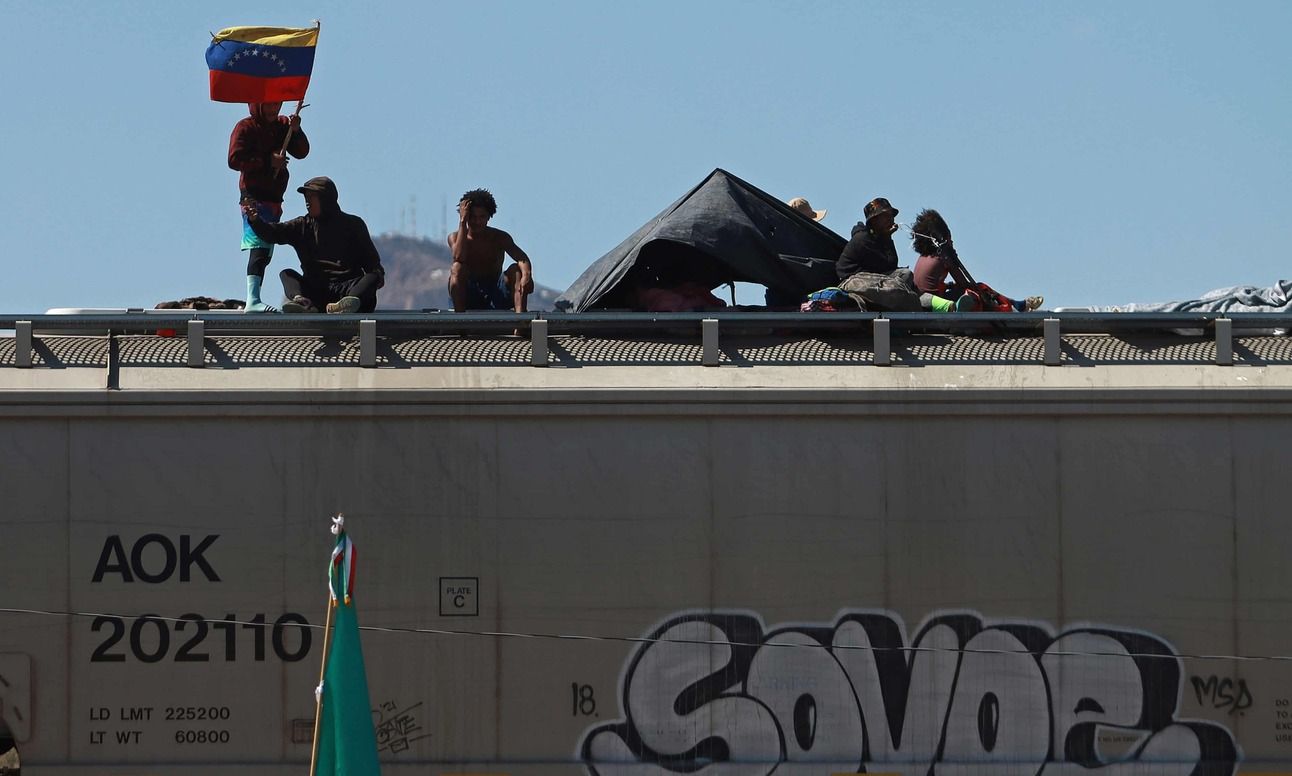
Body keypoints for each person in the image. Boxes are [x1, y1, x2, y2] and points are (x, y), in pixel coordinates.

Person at [243, 177, 385, 313]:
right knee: (286, 274)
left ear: (326, 198)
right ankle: (302, 303)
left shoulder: (353, 224)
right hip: (316, 291)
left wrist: (377, 277)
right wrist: (255, 220)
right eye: (306, 197)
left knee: (372, 276)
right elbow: (272, 233)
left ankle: (348, 304)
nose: (307, 202)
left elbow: (371, 262)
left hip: (347, 288)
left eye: (311, 197)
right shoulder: (302, 226)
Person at [228, 102, 309, 312]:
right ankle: (252, 300)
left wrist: (296, 131)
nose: (274, 109)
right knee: (259, 246)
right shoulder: (245, 127)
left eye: (277, 104)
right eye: (269, 105)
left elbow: (301, 151)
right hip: (253, 197)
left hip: (274, 198)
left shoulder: (283, 125)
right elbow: (234, 159)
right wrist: (266, 161)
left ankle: (254, 297)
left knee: (266, 248)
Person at [910, 208, 1043, 312]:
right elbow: (963, 283)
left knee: (972, 289)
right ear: (944, 237)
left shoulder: (923, 256)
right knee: (979, 289)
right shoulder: (943, 255)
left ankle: (1015, 304)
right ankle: (1013, 306)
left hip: (925, 303)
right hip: (939, 303)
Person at [447, 189, 535, 312]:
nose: (477, 222)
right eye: (473, 217)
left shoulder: (500, 238)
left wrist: (527, 276)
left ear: (489, 217)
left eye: (482, 217)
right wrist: (462, 222)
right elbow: (459, 257)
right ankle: (460, 324)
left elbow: (521, 258)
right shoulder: (455, 237)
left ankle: (520, 323)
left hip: (496, 293)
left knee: (516, 270)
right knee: (457, 268)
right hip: (469, 295)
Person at [836, 197, 900, 280]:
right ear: (874, 220)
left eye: (891, 215)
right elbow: (888, 265)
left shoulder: (877, 237)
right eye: (885, 216)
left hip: (868, 278)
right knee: (903, 275)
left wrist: (887, 237)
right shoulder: (863, 239)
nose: (890, 219)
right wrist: (887, 237)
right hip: (853, 280)